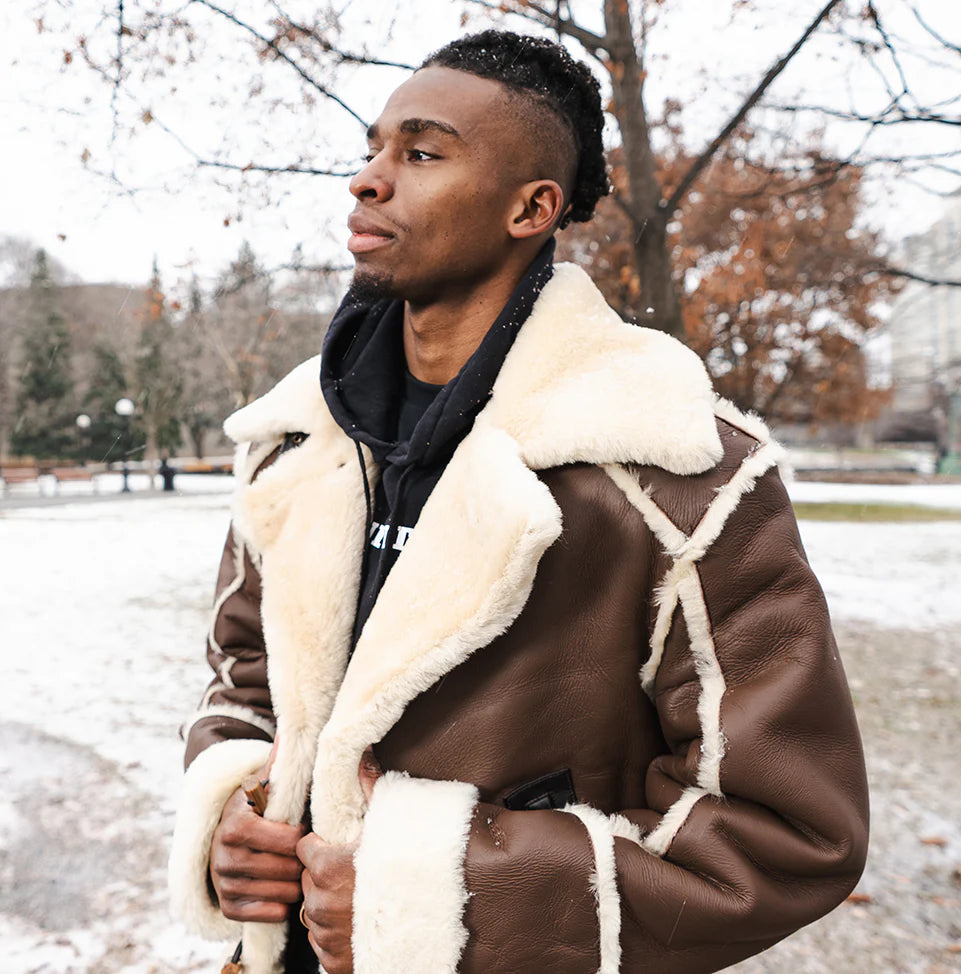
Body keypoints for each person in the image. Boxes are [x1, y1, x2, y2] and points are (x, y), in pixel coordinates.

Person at [168, 30, 868, 974]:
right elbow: (247, 678)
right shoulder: (296, 440)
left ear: (532, 207)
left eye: (420, 153)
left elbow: (783, 830)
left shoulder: (676, 471)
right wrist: (238, 806)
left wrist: (439, 897)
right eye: (371, 150)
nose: (369, 180)